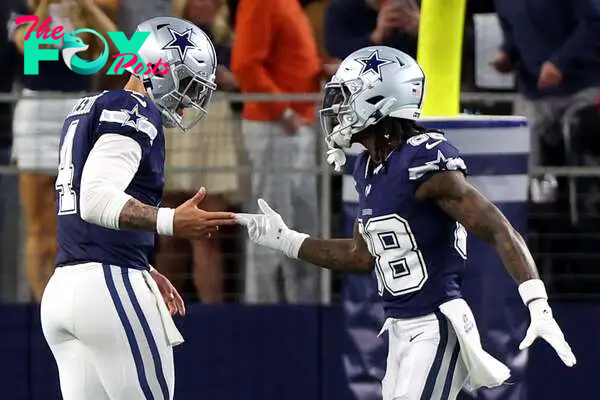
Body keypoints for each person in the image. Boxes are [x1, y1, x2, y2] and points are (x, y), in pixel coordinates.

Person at [236, 46, 576, 399]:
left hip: (436, 326)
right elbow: (360, 256)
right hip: (399, 330)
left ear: (379, 98)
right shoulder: (367, 166)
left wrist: (538, 303)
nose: (336, 109)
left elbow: (498, 229)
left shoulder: (424, 161)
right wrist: (287, 240)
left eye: (347, 96)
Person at [40, 16, 237, 399]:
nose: (188, 100)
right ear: (159, 69)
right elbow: (94, 199)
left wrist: (143, 264)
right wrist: (171, 221)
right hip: (109, 288)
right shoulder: (134, 109)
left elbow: (83, 202)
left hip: (65, 287)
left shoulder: (89, 106)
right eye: (187, 83)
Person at [9, 0, 120, 302]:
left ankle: (73, 300)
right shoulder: (25, 10)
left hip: (77, 107)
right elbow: (30, 47)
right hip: (37, 110)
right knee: (38, 224)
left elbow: (116, 46)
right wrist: (45, 4)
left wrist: (86, 6)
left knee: (76, 216)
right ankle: (43, 301)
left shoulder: (84, 11)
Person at [231, 0, 323, 304]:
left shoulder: (289, 4)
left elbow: (290, 60)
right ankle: (263, 313)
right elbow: (245, 64)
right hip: (276, 127)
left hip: (296, 126)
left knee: (299, 225)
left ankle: (304, 312)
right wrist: (283, 112)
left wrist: (320, 70)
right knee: (268, 225)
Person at [157, 0, 242, 303]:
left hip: (214, 124)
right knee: (171, 238)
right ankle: (160, 312)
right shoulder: (160, 35)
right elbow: (133, 72)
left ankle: (214, 318)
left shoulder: (230, 37)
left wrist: (230, 80)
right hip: (175, 123)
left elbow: (244, 79)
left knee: (208, 237)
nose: (205, 4)